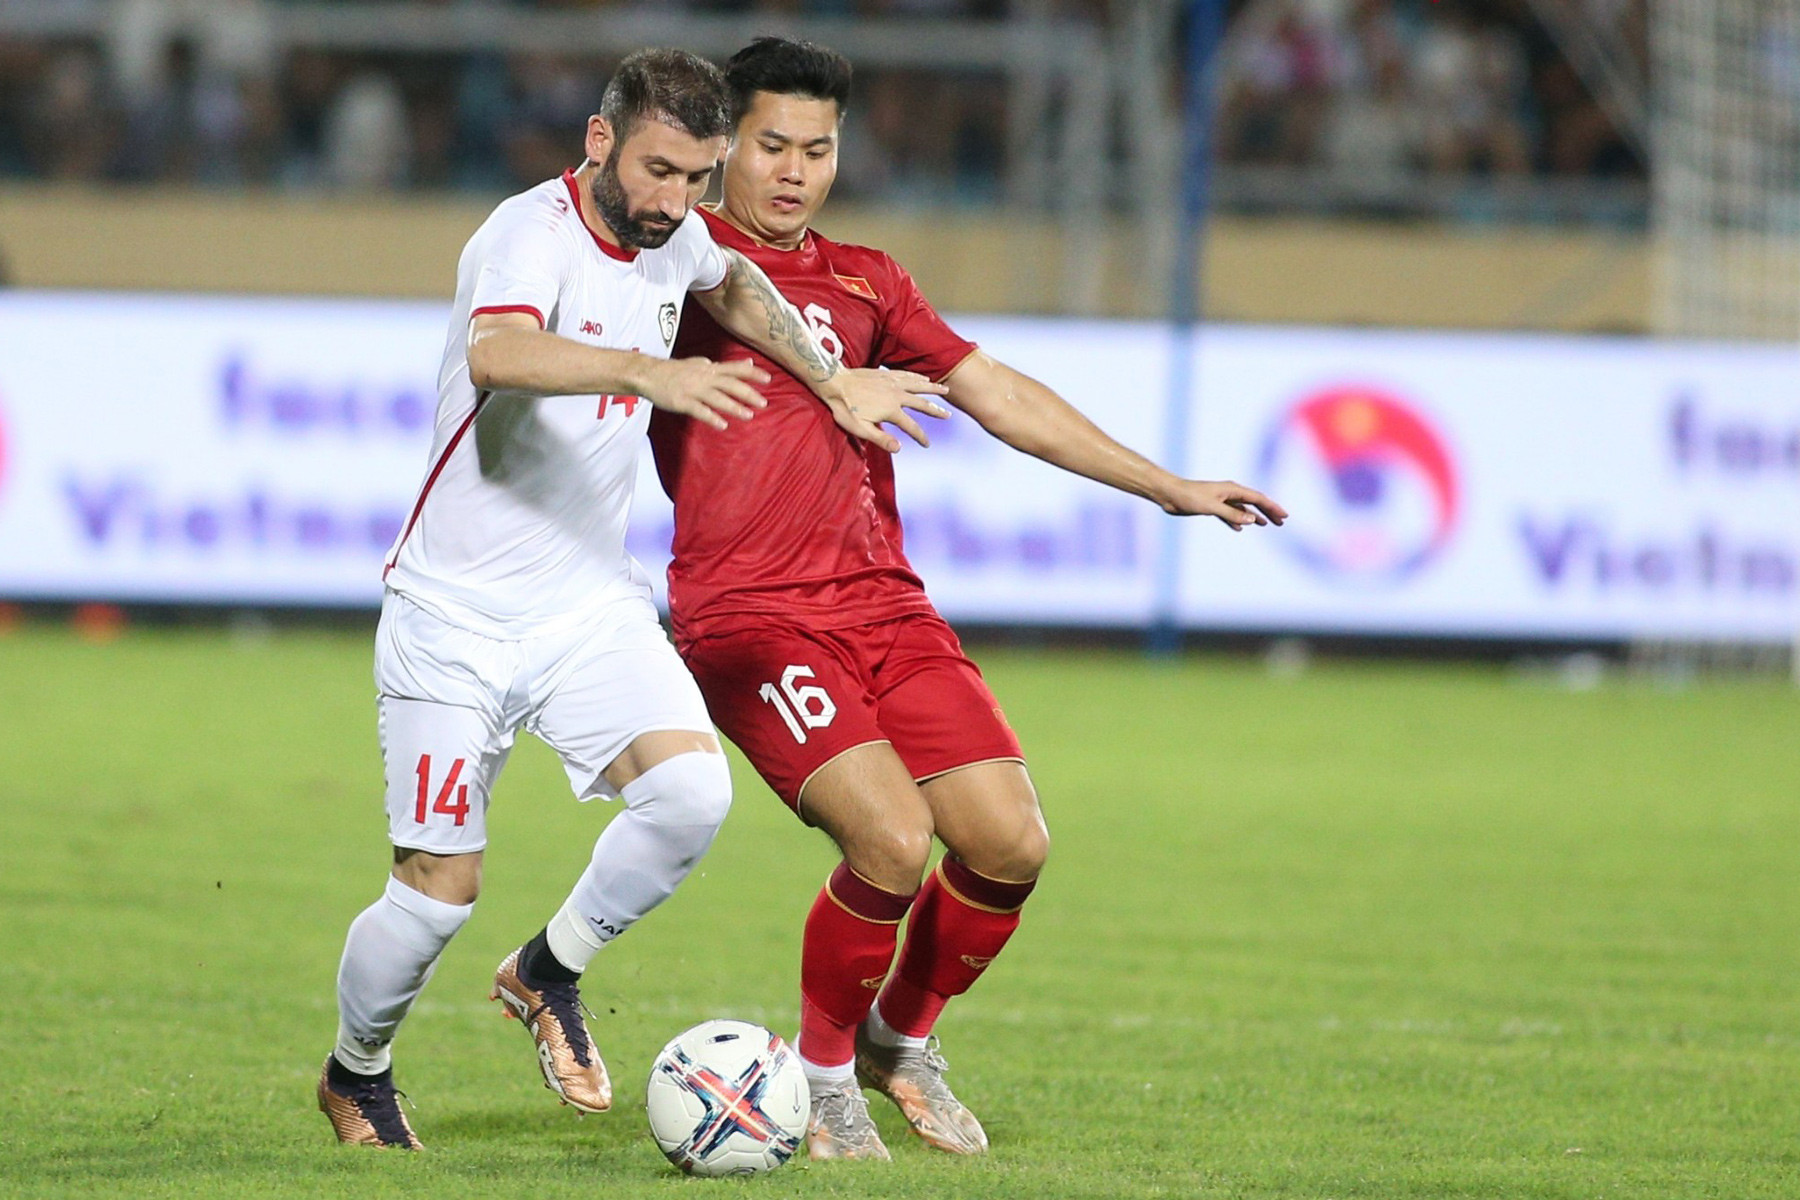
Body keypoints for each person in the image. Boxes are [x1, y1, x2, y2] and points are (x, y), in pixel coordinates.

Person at [649, 37, 1287, 1162]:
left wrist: (1168, 488)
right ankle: (825, 1073)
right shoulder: (676, 265)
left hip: (884, 607)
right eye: (771, 146)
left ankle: (899, 1040)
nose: (795, 171)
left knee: (1010, 844)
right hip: (749, 617)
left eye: (819, 148)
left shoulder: (869, 280)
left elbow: (992, 390)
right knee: (894, 840)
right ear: (722, 149)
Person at [318, 47, 946, 1151]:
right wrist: (645, 373)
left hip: (586, 611)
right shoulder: (527, 233)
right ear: (601, 140)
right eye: (659, 171)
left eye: (699, 177)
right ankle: (355, 1072)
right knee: (433, 894)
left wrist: (827, 375)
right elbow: (502, 352)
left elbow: (733, 282)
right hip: (452, 618)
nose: (676, 202)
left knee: (693, 799)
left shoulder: (681, 235)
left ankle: (548, 970)